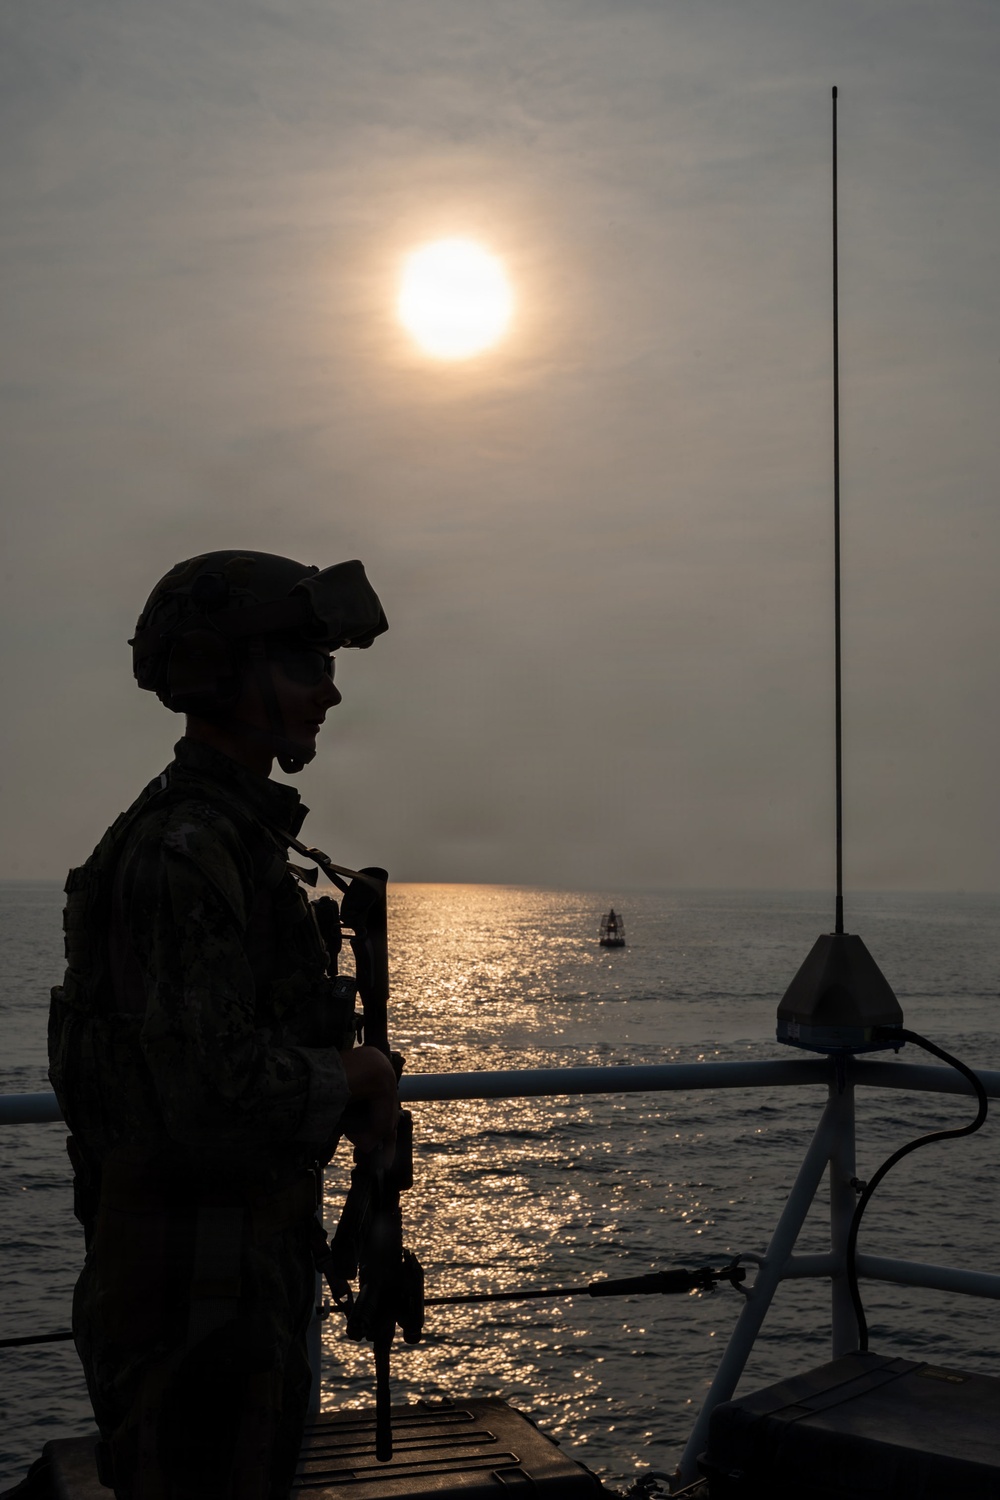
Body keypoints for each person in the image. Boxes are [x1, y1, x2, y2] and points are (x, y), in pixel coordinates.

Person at [47, 550, 400, 1500]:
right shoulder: (186, 850)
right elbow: (210, 1092)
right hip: (195, 1304)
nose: (328, 694)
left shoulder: (232, 838)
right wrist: (357, 1077)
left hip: (234, 1279)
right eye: (302, 668)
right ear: (216, 674)